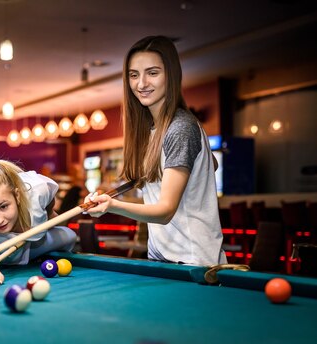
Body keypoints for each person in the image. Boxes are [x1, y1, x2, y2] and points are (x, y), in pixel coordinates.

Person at [84, 35, 226, 266]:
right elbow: (212, 164)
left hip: (193, 261)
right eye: (133, 75)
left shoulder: (181, 127)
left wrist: (112, 205)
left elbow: (165, 210)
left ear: (171, 74)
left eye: (152, 73)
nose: (141, 84)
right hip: (163, 257)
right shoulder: (151, 130)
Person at [0, 157, 77, 285]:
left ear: (17, 195)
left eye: (3, 206)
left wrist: (47, 216)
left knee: (69, 236)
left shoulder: (36, 191)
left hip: (34, 246)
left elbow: (49, 204)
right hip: (6, 259)